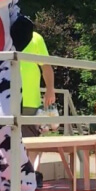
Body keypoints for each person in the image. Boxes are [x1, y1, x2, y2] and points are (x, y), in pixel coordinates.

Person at [19, 31, 56, 168]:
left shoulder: (35, 37)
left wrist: (50, 89)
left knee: (31, 141)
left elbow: (46, 66)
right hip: (4, 99)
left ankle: (32, 174)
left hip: (30, 100)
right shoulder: (1, 34)